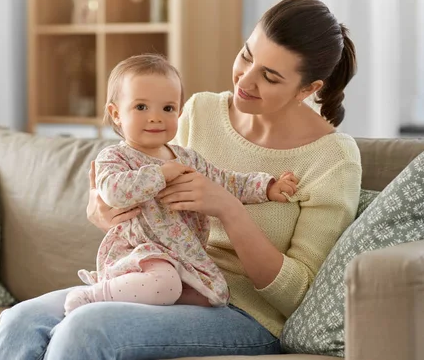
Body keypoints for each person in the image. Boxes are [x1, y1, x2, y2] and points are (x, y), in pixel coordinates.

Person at [0, 0, 362, 360]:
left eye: (270, 77)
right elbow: (146, 183)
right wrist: (103, 209)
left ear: (308, 89)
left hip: (245, 314)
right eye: (247, 55)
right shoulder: (200, 111)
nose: (245, 80)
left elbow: (298, 294)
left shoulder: (332, 159)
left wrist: (229, 209)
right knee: (21, 319)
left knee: (88, 328)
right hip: (160, 280)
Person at [63, 54, 298, 315]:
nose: (155, 118)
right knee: (164, 283)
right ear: (116, 114)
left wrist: (265, 187)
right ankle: (94, 296)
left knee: (211, 296)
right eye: (141, 107)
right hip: (139, 252)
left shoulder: (187, 159)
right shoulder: (116, 157)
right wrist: (160, 174)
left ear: (180, 111)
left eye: (167, 109)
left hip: (182, 255)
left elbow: (225, 182)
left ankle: (140, 302)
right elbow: (113, 192)